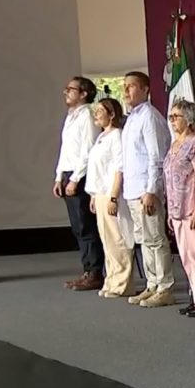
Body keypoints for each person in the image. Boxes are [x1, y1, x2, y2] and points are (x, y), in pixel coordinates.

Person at [122, 71, 174, 308]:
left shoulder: (150, 117)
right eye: (124, 86)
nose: (126, 91)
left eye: (132, 86)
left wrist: (152, 189)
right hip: (133, 190)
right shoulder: (132, 118)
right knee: (144, 240)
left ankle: (165, 287)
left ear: (145, 90)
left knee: (155, 239)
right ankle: (152, 284)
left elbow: (157, 156)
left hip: (146, 190)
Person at [165, 100, 195, 317]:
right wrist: (170, 211)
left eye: (176, 116)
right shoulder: (174, 145)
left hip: (192, 207)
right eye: (171, 117)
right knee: (185, 256)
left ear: (189, 119)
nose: (172, 121)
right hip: (177, 210)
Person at [53, 76, 102, 290]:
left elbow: (88, 150)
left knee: (85, 226)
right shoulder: (71, 116)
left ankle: (95, 272)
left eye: (71, 89)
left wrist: (75, 179)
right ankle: (87, 270)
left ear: (84, 93)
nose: (66, 92)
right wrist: (59, 176)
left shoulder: (88, 116)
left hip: (80, 176)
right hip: (68, 174)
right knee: (77, 227)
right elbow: (66, 150)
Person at [84, 98, 133, 298]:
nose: (96, 114)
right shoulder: (101, 137)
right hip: (100, 194)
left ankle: (122, 283)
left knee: (117, 238)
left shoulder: (117, 136)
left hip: (112, 193)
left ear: (112, 114)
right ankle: (111, 280)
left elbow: (119, 168)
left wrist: (113, 196)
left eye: (100, 111)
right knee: (107, 240)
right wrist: (94, 195)